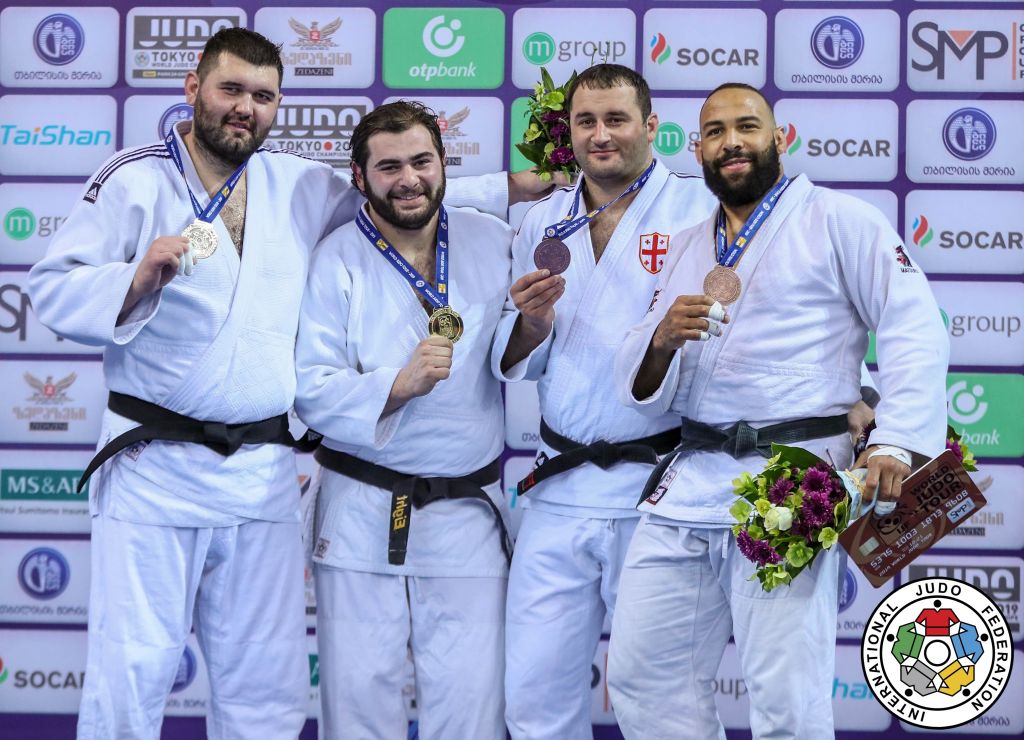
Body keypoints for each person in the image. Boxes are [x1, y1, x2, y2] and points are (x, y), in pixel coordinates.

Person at [26, 28, 550, 740]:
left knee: (265, 681)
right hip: (156, 470)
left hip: (262, 476)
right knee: (134, 668)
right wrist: (133, 279)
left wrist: (522, 184)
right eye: (231, 89)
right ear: (193, 89)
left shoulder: (296, 184)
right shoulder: (134, 178)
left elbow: (401, 194)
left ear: (278, 106)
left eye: (263, 96)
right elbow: (50, 289)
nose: (245, 107)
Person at [607, 83, 949, 739]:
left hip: (791, 485)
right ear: (698, 148)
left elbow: (914, 326)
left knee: (785, 696)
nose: (731, 142)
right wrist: (660, 341)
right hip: (689, 484)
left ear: (778, 139)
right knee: (643, 678)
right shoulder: (684, 245)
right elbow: (639, 373)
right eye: (715, 131)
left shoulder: (839, 221)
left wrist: (894, 443)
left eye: (747, 127)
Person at [491, 64, 719, 740]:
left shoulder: (698, 212)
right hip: (558, 488)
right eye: (586, 121)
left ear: (652, 127)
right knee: (533, 698)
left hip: (657, 493)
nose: (601, 135)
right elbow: (519, 359)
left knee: (660, 700)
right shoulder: (543, 217)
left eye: (617, 119)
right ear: (569, 132)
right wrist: (529, 323)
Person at [294, 101, 513, 739]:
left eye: (421, 161)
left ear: (445, 165)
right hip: (361, 509)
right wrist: (396, 385)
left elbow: (522, 350)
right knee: (357, 695)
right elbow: (311, 387)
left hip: (464, 511)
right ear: (360, 178)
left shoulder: (492, 241)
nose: (408, 178)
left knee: (471, 700)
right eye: (388, 167)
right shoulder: (334, 258)